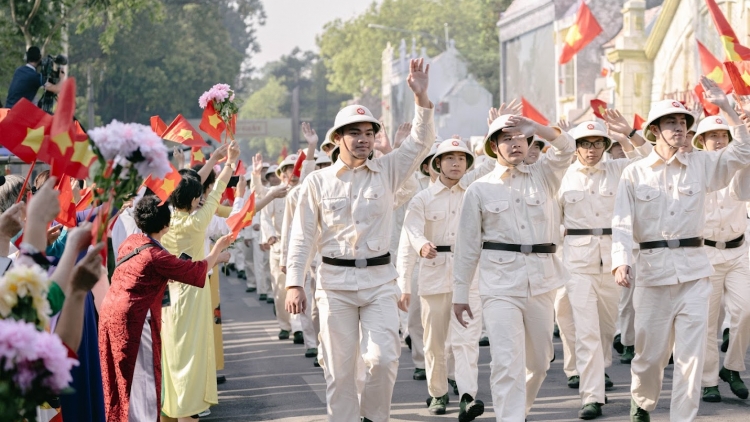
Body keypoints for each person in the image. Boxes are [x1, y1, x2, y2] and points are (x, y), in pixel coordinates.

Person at [285, 58, 434, 422]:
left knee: (383, 359)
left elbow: (419, 142)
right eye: (355, 133)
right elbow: (302, 237)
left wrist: (421, 98)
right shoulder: (317, 183)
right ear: (338, 140)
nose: (364, 139)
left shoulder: (387, 169)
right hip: (334, 285)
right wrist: (294, 283)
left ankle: (374, 418)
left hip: (380, 282)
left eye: (369, 132)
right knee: (339, 371)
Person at [612, 77, 750, 422]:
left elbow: (743, 151)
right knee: (649, 356)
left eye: (683, 123)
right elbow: (622, 223)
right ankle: (642, 400)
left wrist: (728, 107)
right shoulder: (634, 172)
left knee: (690, 357)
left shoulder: (702, 165)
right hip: (652, 273)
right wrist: (621, 261)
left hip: (694, 272)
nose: (678, 128)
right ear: (655, 130)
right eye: (670, 123)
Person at [452, 113, 575, 421]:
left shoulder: (544, 174)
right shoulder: (479, 190)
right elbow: (467, 247)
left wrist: (538, 128)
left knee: (539, 362)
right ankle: (511, 417)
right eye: (506, 138)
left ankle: (519, 409)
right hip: (500, 284)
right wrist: (461, 292)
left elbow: (566, 148)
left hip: (542, 281)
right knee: (506, 361)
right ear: (494, 146)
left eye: (520, 137)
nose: (514, 143)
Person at [99, 195, 233, 422]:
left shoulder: (131, 243)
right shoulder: (155, 255)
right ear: (166, 225)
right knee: (142, 381)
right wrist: (217, 253)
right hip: (135, 321)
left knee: (119, 381)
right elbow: (194, 272)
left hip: (110, 314)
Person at [556, 117, 651, 419]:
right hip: (577, 263)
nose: (592, 149)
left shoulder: (619, 170)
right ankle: (592, 396)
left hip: (613, 260)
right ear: (576, 147)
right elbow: (552, 221)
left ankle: (600, 370)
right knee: (586, 332)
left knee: (606, 329)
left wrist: (628, 136)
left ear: (605, 146)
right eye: (585, 144)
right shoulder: (562, 176)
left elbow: (650, 159)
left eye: (598, 143)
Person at [400, 138, 494, 419]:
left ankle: (467, 395)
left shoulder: (475, 191)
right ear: (436, 164)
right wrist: (421, 244)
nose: (456, 164)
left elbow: (495, 161)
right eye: (450, 159)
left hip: (468, 273)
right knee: (435, 340)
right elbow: (411, 229)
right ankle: (438, 392)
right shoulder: (422, 198)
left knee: (467, 339)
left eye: (462, 159)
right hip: (433, 272)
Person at [160, 142, 240, 421]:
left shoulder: (163, 220)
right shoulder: (196, 223)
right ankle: (189, 409)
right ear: (195, 200)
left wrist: (213, 162)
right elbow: (216, 193)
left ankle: (175, 406)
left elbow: (186, 187)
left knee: (173, 352)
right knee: (192, 353)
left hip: (167, 294)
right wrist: (228, 163)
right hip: (193, 293)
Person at [691, 116, 750, 403]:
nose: (717, 140)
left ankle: (733, 368)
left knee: (746, 311)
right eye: (711, 135)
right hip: (706, 253)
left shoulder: (740, 165)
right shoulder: (694, 169)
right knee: (707, 321)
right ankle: (709, 380)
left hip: (739, 251)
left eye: (722, 135)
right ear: (701, 141)